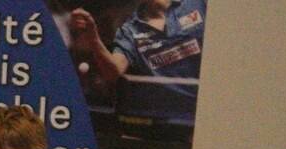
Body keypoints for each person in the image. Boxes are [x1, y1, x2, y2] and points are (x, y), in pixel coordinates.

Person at [70, 1, 206, 93]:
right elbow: (113, 72)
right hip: (165, 114)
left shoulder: (197, 3)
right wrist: (93, 37)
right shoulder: (129, 30)